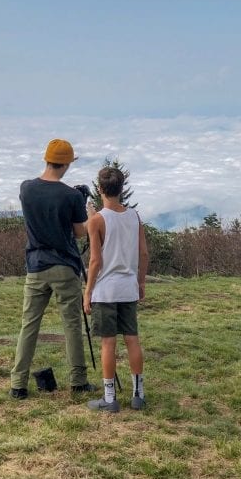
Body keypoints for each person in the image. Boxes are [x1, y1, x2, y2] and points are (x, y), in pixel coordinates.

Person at [9, 139, 97, 400]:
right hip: (64, 267)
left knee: (29, 325)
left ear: (46, 159)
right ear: (67, 164)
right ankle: (78, 381)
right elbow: (79, 232)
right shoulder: (70, 195)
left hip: (35, 266)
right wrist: (87, 210)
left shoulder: (26, 189)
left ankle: (18, 385)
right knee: (71, 324)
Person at [84, 166, 149, 413]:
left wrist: (88, 291)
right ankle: (138, 394)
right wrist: (140, 282)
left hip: (106, 291)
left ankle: (110, 398)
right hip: (128, 287)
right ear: (121, 189)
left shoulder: (97, 220)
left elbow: (95, 261)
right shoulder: (135, 217)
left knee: (108, 344)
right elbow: (143, 253)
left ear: (99, 189)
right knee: (132, 339)